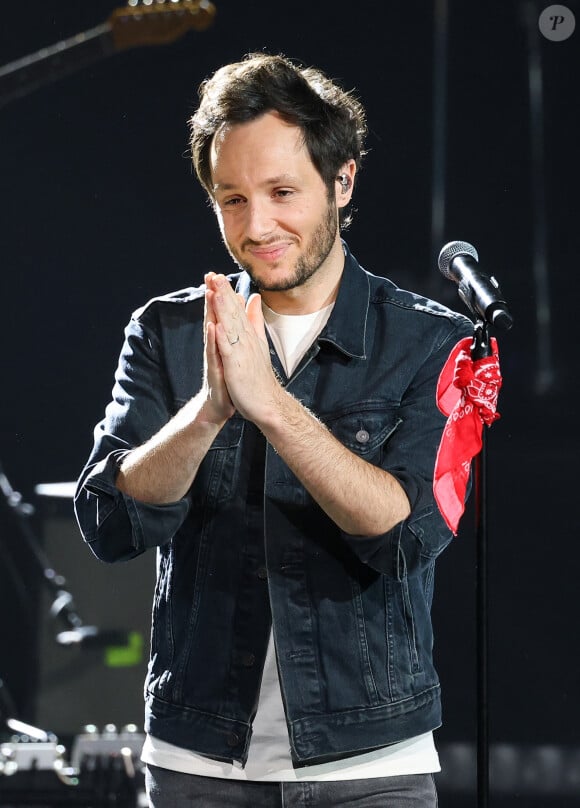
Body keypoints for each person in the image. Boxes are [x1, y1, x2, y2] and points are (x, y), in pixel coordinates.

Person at [74, 52, 474, 807]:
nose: (258, 226)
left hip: (370, 768)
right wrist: (211, 410)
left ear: (343, 181)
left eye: (283, 192)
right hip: (199, 764)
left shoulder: (429, 343)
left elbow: (409, 536)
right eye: (232, 199)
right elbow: (112, 523)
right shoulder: (166, 331)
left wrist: (273, 406)